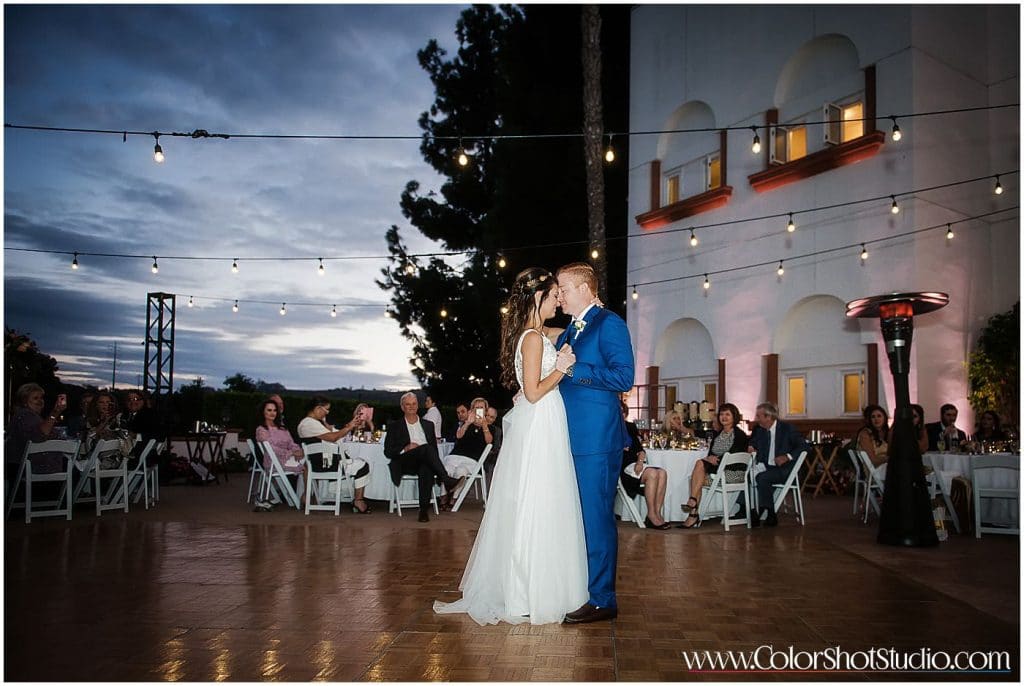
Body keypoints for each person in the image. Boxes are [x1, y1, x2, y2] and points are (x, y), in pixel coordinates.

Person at [434, 266, 587, 625]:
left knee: (543, 500)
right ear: (538, 297)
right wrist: (562, 368)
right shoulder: (532, 338)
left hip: (545, 420)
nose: (557, 301)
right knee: (537, 500)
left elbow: (527, 387)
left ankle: (542, 585)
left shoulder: (535, 334)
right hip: (541, 422)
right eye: (553, 295)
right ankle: (526, 590)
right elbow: (533, 392)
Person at [555, 262, 636, 624]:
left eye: (564, 290)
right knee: (574, 518)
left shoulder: (609, 324)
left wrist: (576, 369)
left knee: (596, 517)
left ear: (585, 289)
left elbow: (624, 377)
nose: (558, 297)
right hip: (566, 438)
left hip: (596, 440)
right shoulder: (568, 331)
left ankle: (603, 599)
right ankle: (581, 588)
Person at [383, 392, 462, 522]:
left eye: (414, 404)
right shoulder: (395, 426)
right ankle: (445, 479)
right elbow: (388, 452)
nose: (411, 407)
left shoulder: (428, 425)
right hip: (405, 462)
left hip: (423, 460)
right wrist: (405, 448)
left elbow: (434, 452)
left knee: (426, 467)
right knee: (425, 448)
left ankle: (423, 511)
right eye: (408, 404)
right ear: (402, 407)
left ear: (417, 406)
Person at [678, 403, 749, 529]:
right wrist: (681, 427)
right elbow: (697, 433)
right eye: (721, 414)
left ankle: (693, 511)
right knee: (699, 467)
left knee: (696, 479)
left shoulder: (739, 435)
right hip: (718, 470)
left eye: (727, 414)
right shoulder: (718, 434)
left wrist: (715, 460)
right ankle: (693, 505)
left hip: (733, 473)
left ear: (734, 417)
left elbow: (733, 457)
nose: (724, 417)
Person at [295, 396, 372, 513]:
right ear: (317, 408)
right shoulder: (308, 424)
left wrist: (348, 426)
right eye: (326, 409)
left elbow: (332, 431)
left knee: (356, 462)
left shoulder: (310, 423)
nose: (327, 412)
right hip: (326, 464)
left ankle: (351, 498)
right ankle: (358, 501)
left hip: (317, 463)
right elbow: (333, 437)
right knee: (363, 465)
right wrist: (350, 427)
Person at [748, 402, 809, 527]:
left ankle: (769, 513)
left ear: (768, 417)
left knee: (762, 477)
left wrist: (787, 456)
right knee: (747, 476)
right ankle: (750, 510)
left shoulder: (787, 429)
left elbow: (804, 446)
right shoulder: (760, 430)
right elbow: (753, 441)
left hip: (785, 469)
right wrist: (751, 446)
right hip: (766, 466)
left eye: (759, 416)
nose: (756, 419)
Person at [620, 402, 669, 529]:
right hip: (621, 466)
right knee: (652, 473)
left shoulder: (630, 427)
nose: (621, 414)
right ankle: (652, 515)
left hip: (635, 463)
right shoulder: (608, 429)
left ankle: (656, 514)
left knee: (662, 473)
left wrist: (640, 462)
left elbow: (641, 450)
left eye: (623, 412)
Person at [5, 383, 69, 479]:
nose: (40, 401)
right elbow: (39, 435)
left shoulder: (34, 417)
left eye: (41, 398)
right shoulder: (24, 415)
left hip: (35, 470)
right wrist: (56, 412)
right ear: (24, 401)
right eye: (35, 398)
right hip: (26, 471)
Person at [253, 398, 304, 510]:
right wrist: (291, 453)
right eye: (269, 410)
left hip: (288, 459)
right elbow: (272, 449)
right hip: (274, 463)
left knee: (308, 461)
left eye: (275, 410)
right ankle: (302, 498)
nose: (272, 413)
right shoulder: (261, 430)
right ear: (263, 412)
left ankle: (299, 497)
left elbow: (291, 443)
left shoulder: (282, 428)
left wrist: (298, 450)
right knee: (308, 466)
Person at [442, 397, 493, 499]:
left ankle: (454, 498)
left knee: (461, 471)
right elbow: (458, 436)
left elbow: (489, 441)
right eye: (476, 407)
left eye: (481, 408)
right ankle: (443, 496)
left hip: (472, 460)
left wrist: (484, 425)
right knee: (447, 469)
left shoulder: (489, 427)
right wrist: (468, 422)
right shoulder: (466, 424)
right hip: (455, 455)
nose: (478, 410)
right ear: (472, 410)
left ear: (485, 410)